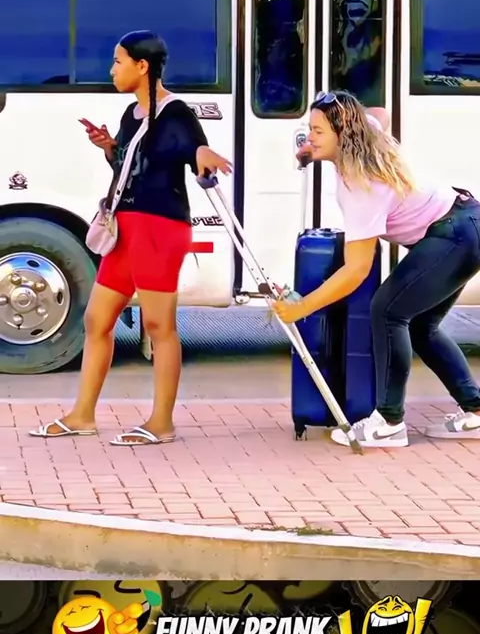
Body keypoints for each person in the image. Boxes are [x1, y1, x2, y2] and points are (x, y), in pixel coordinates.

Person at [31, 30, 231, 446]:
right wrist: (110, 147)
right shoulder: (131, 115)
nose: (112, 70)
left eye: (118, 61)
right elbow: (130, 166)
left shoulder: (176, 113)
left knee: (159, 325)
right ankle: (82, 415)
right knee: (96, 320)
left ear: (142, 66)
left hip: (160, 228)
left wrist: (204, 156)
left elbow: (193, 149)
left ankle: (162, 423)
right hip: (125, 228)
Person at [273, 90, 480, 448]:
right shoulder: (364, 131)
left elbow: (356, 270)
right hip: (466, 222)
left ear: (343, 133)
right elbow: (380, 113)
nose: (309, 138)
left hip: (454, 235)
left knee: (387, 311)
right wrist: (315, 147)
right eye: (310, 130)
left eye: (318, 131)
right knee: (421, 326)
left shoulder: (360, 184)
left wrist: (302, 307)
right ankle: (475, 411)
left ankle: (388, 422)